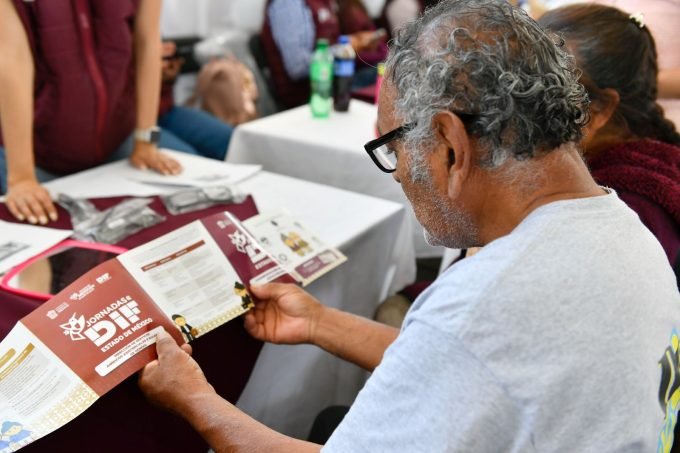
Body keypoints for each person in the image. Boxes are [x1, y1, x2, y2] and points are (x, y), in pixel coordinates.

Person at [139, 1, 680, 451]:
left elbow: (467, 344)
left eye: (393, 148)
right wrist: (320, 322)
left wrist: (194, 399)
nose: (398, 174)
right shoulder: (627, 228)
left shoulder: (485, 304)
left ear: (449, 143)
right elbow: (472, 366)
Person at [1, 0, 189, 226]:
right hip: (40, 154)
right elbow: (12, 60)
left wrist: (147, 139)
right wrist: (21, 178)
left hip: (122, 136)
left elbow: (148, 40)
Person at [260, 0, 385, 108]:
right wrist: (346, 48)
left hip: (332, 83)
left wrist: (356, 41)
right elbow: (297, 67)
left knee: (387, 70)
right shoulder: (289, 4)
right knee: (386, 75)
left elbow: (328, 43)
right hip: (310, 97)